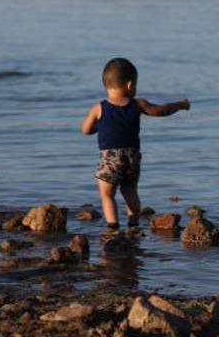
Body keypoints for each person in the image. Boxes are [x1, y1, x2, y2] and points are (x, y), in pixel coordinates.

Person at [80, 58, 190, 230]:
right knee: (130, 191)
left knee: (107, 194)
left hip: (110, 159)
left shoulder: (98, 108)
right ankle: (133, 224)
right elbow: (162, 111)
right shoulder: (138, 104)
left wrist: (99, 126)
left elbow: (86, 130)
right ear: (130, 85)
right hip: (132, 158)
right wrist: (180, 105)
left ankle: (113, 226)